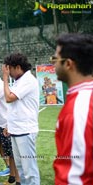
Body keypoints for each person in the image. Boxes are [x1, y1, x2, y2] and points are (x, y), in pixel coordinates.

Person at [51, 33, 93, 184]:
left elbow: (75, 177)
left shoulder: (79, 108)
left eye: (55, 59)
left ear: (68, 64)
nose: (53, 64)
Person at [2, 53, 40, 185]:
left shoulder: (28, 80)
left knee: (29, 170)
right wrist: (9, 125)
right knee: (21, 169)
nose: (8, 73)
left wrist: (5, 79)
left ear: (18, 67)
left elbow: (9, 98)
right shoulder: (19, 81)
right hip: (16, 130)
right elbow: (15, 106)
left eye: (9, 69)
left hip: (25, 130)